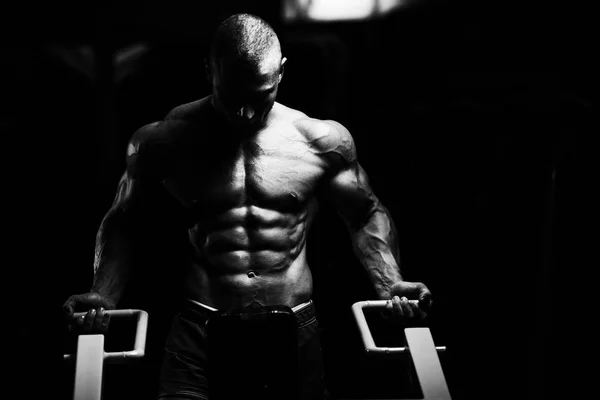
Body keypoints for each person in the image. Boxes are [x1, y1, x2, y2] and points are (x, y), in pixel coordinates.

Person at [63, 13, 433, 400]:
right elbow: (125, 220)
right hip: (200, 325)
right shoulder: (163, 142)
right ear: (210, 72)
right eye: (233, 98)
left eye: (260, 98)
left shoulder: (321, 142)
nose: (245, 113)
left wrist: (391, 284)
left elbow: (365, 213)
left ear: (281, 74)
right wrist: (103, 294)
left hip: (292, 324)